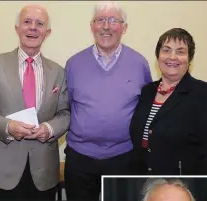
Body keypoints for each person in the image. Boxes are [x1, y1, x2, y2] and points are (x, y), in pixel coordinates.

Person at [0, 4, 70, 201]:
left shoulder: (59, 71)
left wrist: (49, 129)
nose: (33, 27)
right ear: (17, 28)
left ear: (47, 32)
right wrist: (8, 126)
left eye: (39, 24)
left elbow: (65, 114)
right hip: (4, 170)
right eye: (27, 22)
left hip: (44, 171)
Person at [64, 1, 152, 200]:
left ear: (124, 27)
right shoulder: (73, 64)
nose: (106, 26)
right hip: (80, 158)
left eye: (113, 20)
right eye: (100, 20)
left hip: (124, 157)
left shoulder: (139, 63)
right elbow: (66, 106)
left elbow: (145, 108)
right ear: (92, 26)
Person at [130, 28, 207, 175]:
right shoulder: (147, 91)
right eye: (166, 50)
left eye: (180, 52)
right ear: (158, 56)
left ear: (189, 59)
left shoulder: (204, 93)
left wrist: (200, 190)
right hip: (146, 186)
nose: (172, 57)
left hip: (185, 189)